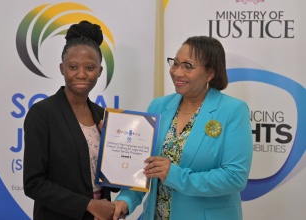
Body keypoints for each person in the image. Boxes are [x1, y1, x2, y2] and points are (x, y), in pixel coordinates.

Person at [113, 36, 253, 220]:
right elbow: (144, 166)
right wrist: (125, 201)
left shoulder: (233, 110)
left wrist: (176, 176)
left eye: (188, 66)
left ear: (210, 73)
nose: (177, 72)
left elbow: (234, 177)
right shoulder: (158, 106)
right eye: (175, 63)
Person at [23, 20, 119, 220]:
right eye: (73, 67)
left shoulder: (103, 116)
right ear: (62, 68)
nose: (81, 74)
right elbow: (34, 183)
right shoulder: (43, 113)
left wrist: (116, 151)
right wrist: (89, 205)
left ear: (100, 71)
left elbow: (113, 182)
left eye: (90, 67)